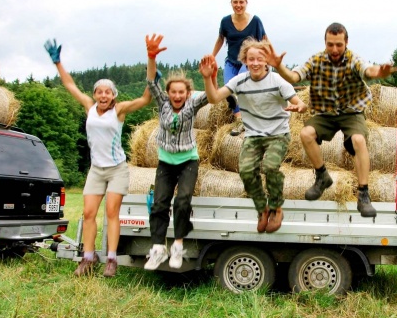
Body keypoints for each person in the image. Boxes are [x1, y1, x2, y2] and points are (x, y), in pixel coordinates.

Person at [264, 23, 397, 218]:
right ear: (325, 42)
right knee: (305, 133)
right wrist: (279, 66)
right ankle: (322, 176)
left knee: (358, 140)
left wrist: (379, 73)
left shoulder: (353, 60)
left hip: (352, 111)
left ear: (346, 43)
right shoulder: (316, 60)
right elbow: (294, 76)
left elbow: (368, 71)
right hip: (326, 113)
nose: (334, 49)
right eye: (330, 44)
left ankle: (363, 194)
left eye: (339, 45)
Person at [43, 39, 151, 277]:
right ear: (94, 94)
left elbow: (145, 99)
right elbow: (69, 85)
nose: (103, 95)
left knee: (112, 212)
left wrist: (151, 69)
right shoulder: (89, 107)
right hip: (96, 170)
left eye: (108, 92)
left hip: (116, 169)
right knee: (89, 213)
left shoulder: (119, 111)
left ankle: (111, 259)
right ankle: (88, 258)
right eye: (99, 92)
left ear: (114, 95)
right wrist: (57, 62)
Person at [199, 39, 306, 233]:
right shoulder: (239, 81)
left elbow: (300, 103)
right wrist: (208, 78)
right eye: (251, 59)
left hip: (278, 134)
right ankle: (262, 209)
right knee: (246, 171)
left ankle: (276, 208)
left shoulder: (277, 81)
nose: (255, 63)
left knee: (271, 166)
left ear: (266, 61)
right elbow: (214, 98)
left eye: (260, 58)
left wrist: (299, 106)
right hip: (253, 135)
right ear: (245, 62)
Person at [143, 34, 210, 270]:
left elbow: (212, 97)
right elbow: (152, 82)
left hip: (188, 161)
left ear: (187, 94)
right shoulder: (162, 103)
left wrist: (208, 77)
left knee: (182, 201)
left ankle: (178, 246)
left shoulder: (192, 105)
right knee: (160, 204)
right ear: (169, 93)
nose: (178, 95)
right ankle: (158, 248)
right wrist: (151, 57)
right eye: (174, 92)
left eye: (182, 92)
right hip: (165, 162)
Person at [212, 0, 268, 136]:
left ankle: (250, 116)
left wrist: (270, 58)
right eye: (235, 2)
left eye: (241, 2)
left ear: (246, 3)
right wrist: (212, 56)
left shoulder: (255, 21)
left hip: (248, 61)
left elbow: (264, 39)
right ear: (231, 3)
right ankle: (239, 120)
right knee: (228, 89)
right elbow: (220, 39)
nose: (238, 5)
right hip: (231, 61)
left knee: (240, 84)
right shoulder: (225, 21)